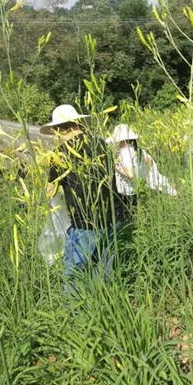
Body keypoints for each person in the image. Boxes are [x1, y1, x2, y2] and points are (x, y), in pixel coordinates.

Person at [41, 105, 125, 288]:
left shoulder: (59, 153)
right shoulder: (101, 144)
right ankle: (103, 301)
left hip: (85, 223)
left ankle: (73, 306)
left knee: (74, 276)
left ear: (59, 129)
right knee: (104, 271)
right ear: (79, 124)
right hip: (114, 216)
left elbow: (50, 191)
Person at [106, 124, 177, 208]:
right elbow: (149, 163)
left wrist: (116, 167)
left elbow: (130, 174)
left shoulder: (125, 152)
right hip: (140, 188)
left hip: (129, 192)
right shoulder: (138, 149)